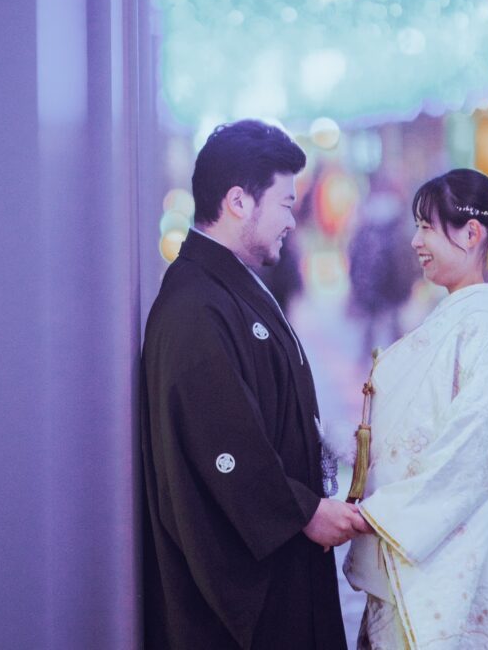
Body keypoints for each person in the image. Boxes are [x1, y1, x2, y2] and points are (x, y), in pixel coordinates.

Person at [141, 120, 364, 650]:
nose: (292, 220)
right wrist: (305, 512)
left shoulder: (224, 284)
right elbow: (222, 444)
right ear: (238, 201)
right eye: (285, 204)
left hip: (280, 557)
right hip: (247, 583)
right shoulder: (195, 306)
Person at [344, 168, 488, 650]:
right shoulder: (461, 323)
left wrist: (379, 515)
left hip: (446, 560)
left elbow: (472, 452)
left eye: (426, 227)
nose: (416, 241)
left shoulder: (485, 333)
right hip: (422, 549)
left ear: (472, 233)